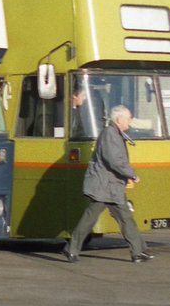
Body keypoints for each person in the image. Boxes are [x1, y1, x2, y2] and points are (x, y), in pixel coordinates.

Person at [62, 105, 154, 263]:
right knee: (92, 218)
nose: (130, 121)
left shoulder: (115, 133)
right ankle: (72, 249)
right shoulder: (110, 134)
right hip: (104, 186)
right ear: (119, 120)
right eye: (128, 118)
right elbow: (114, 160)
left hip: (112, 186)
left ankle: (138, 251)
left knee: (125, 218)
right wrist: (132, 174)